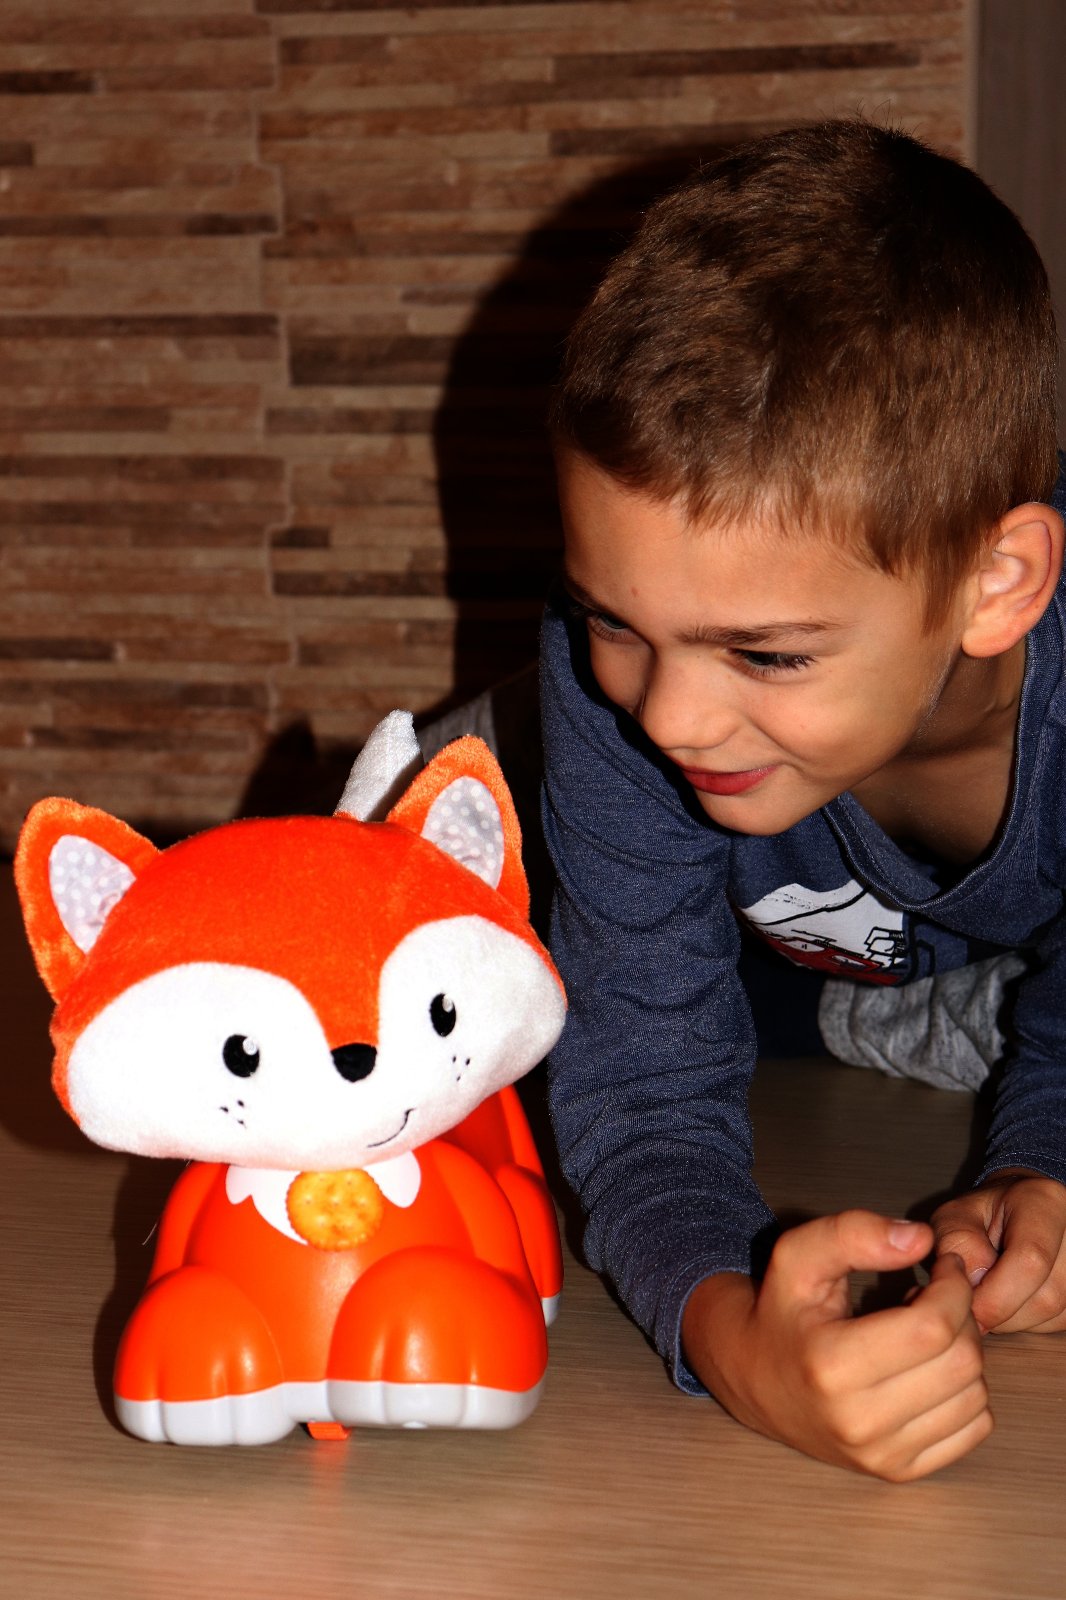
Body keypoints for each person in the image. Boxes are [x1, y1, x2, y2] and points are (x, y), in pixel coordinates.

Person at [539, 118, 1066, 1481]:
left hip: (842, 933)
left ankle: (900, 1002)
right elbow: (640, 1081)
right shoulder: (617, 707)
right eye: (612, 616)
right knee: (418, 940)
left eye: (766, 653)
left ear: (997, 585)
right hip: (660, 890)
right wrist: (732, 1338)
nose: (665, 717)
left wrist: (1040, 1175)